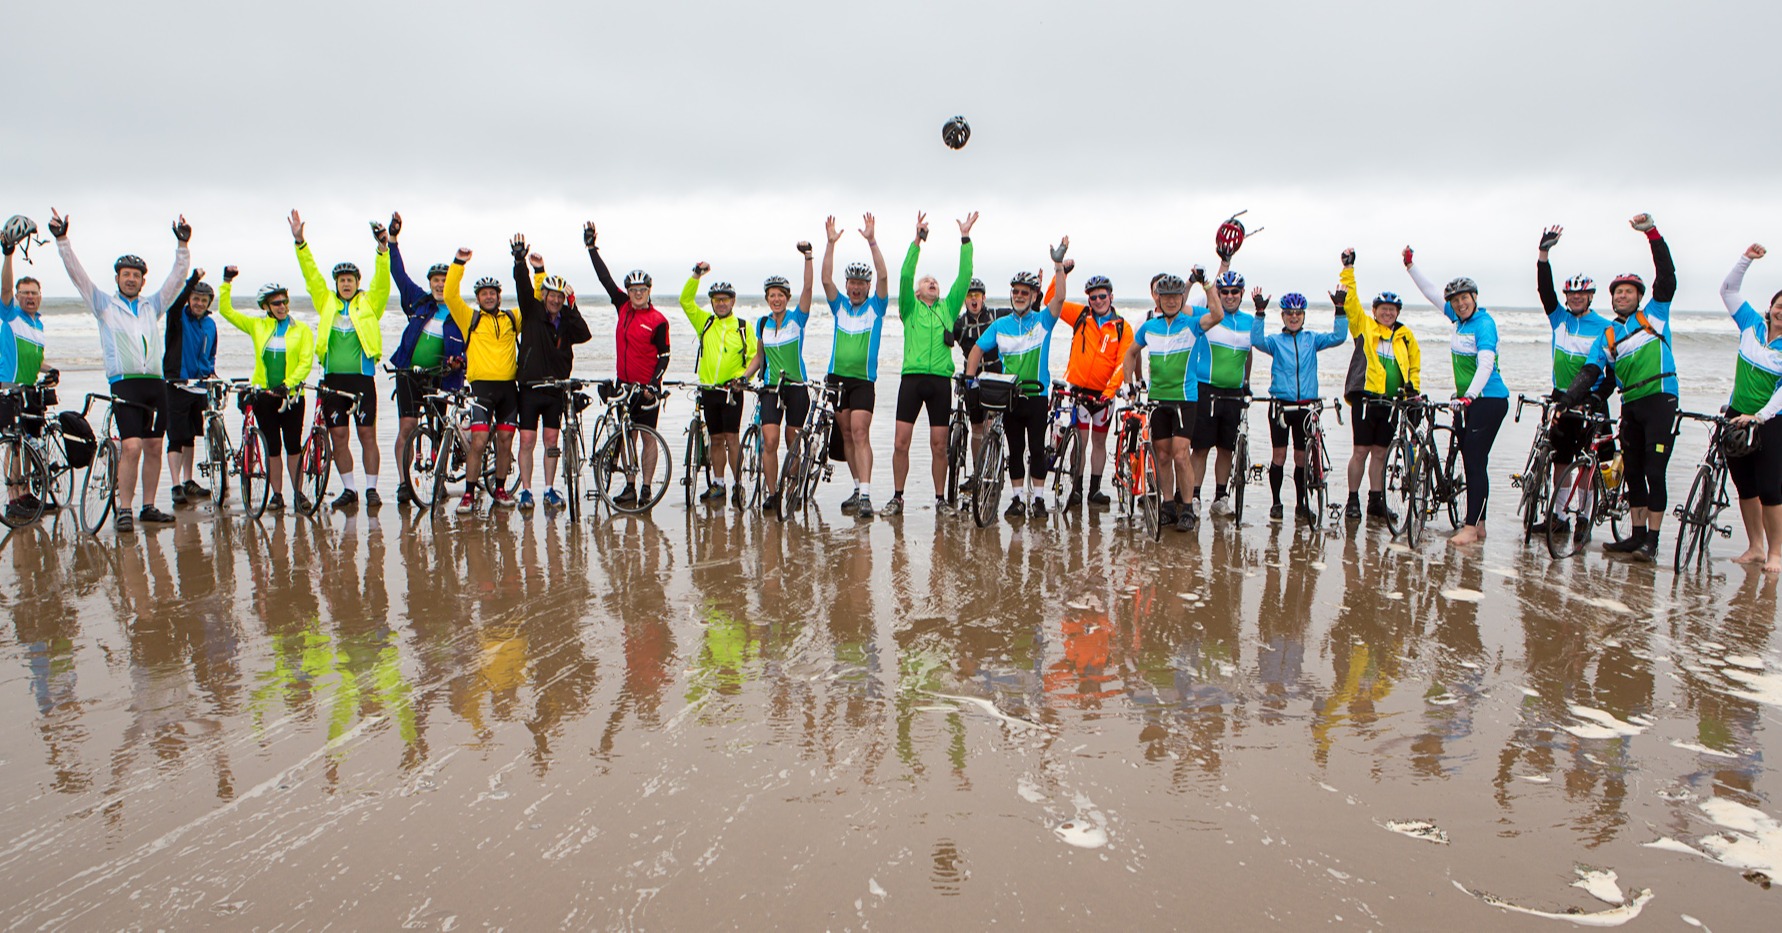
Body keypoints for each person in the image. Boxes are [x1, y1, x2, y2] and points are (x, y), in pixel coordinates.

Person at [50, 208, 192, 532]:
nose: (131, 278)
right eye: (125, 274)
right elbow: (77, 276)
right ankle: (125, 508)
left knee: (155, 446)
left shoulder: (151, 305)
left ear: (143, 280)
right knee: (132, 446)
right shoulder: (103, 305)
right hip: (125, 384)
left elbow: (177, 281)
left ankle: (149, 506)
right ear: (117, 278)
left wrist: (182, 246)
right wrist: (62, 240)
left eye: (136, 274)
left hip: (155, 384)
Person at [1558, 214, 1679, 562]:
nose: (1622, 296)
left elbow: (1667, 276)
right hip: (1632, 405)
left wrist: (1652, 234)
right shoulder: (1608, 334)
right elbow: (1593, 372)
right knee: (1635, 472)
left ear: (1639, 296)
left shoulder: (1654, 315)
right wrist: (1568, 400)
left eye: (1628, 291)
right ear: (1611, 300)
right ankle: (1635, 536)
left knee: (1655, 471)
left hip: (1660, 399)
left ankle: (1652, 542)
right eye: (1618, 293)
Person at [1406, 249, 1511, 547]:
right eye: (1455, 300)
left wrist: (1470, 397)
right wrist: (1411, 266)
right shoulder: (1459, 320)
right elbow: (1430, 293)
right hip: (1472, 401)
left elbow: (1486, 365)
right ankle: (1480, 526)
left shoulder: (1483, 324)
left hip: (1488, 400)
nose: (1459, 303)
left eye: (1465, 298)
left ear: (1475, 297)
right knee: (1473, 461)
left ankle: (1470, 527)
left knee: (1475, 463)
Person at [290, 209, 391, 509]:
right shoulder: (326, 302)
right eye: (341, 280)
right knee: (339, 437)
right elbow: (311, 276)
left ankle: (372, 488)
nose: (345, 284)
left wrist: (382, 250)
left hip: (362, 380)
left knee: (367, 436)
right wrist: (300, 243)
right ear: (336, 284)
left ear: (358, 282)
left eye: (350, 279)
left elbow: (383, 282)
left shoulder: (369, 303)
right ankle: (350, 489)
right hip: (332, 380)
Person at [965, 244, 1070, 519]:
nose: (1020, 296)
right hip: (1010, 395)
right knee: (1015, 448)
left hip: (1037, 395)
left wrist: (1058, 266)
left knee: (1036, 449)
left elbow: (1059, 299)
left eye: (1025, 292)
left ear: (1034, 295)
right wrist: (969, 379)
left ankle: (1038, 500)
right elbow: (976, 349)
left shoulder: (1043, 321)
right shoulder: (1000, 324)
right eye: (1016, 292)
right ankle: (1016, 500)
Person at [1123, 268, 1226, 531]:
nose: (1170, 301)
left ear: (1182, 298)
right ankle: (1168, 505)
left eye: (1175, 296)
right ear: (1157, 299)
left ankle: (1188, 507)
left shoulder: (1192, 324)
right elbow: (1130, 353)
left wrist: (1207, 284)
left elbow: (1217, 315)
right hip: (1158, 400)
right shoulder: (1149, 327)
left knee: (1181, 455)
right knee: (1163, 455)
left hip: (1184, 400)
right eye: (1165, 296)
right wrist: (1129, 386)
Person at [889, 211, 976, 514]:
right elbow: (903, 276)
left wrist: (965, 239)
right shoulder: (909, 308)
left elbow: (964, 277)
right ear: (916, 292)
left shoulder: (948, 308)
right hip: (911, 380)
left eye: (935, 281)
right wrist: (917, 240)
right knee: (901, 442)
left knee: (940, 445)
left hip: (940, 381)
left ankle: (940, 500)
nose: (932, 282)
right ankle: (898, 496)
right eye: (927, 281)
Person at [1533, 225, 1614, 533]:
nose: (1576, 298)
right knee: (1560, 461)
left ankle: (1583, 518)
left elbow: (1613, 374)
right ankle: (1558, 516)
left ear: (1590, 297)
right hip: (1562, 398)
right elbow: (1544, 291)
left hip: (1591, 402)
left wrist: (1599, 396)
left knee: (1589, 464)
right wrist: (1544, 254)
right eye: (1572, 294)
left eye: (1582, 294)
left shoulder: (1606, 326)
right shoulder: (1560, 319)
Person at [385, 212, 468, 506]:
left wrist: (462, 363)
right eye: (435, 280)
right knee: (407, 428)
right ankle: (404, 483)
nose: (439, 284)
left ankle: (439, 481)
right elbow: (398, 274)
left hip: (442, 377)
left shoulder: (461, 313)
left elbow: (473, 347)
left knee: (437, 431)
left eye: (444, 281)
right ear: (430, 283)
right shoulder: (419, 301)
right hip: (409, 373)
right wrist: (393, 241)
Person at [216, 269, 316, 512]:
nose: (282, 306)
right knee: (272, 447)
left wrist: (289, 383)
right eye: (276, 303)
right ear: (266, 306)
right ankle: (277, 495)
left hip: (291, 397)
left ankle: (298, 493)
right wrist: (226, 283)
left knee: (293, 446)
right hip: (265, 396)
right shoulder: (257, 326)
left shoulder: (301, 329)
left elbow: (305, 362)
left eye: (284, 302)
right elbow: (225, 311)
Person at [585, 221, 670, 506]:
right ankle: (630, 486)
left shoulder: (658, 320)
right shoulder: (622, 306)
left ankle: (646, 487)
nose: (636, 293)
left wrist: (653, 384)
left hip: (647, 388)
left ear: (648, 290)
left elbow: (665, 356)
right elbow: (604, 279)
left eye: (641, 289)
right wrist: (591, 248)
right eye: (632, 289)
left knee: (647, 438)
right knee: (627, 436)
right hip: (624, 384)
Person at [1339, 250, 1420, 523]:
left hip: (1391, 402)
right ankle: (1353, 499)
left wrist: (1414, 393)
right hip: (1366, 400)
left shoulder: (1405, 336)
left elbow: (1414, 367)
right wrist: (1348, 269)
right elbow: (1350, 303)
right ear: (1374, 311)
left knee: (1381, 453)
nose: (1388, 313)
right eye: (1383, 309)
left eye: (1392, 310)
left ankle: (1376, 500)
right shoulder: (1364, 327)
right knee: (1360, 451)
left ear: (1397, 313)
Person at [1251, 289, 1346, 523]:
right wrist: (1260, 313)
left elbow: (1338, 337)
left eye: (1298, 314)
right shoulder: (1275, 341)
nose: (1294, 317)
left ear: (1304, 316)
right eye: (1289, 314)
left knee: (1301, 459)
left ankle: (1301, 505)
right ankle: (1276, 502)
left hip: (1305, 407)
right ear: (1282, 316)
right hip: (1281, 407)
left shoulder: (1311, 339)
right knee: (1279, 456)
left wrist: (1340, 310)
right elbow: (1256, 341)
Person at [1044, 264, 1134, 508]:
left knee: (1099, 444)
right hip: (1079, 392)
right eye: (1093, 297)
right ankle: (1076, 488)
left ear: (1111, 296)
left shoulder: (1122, 327)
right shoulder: (1081, 315)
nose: (1097, 300)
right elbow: (1050, 300)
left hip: (1103, 397)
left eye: (1102, 296)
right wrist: (1061, 274)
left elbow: (1122, 363)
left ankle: (1094, 490)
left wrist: (1108, 392)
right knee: (1080, 443)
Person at [442, 242, 524, 514]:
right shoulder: (470, 318)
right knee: (477, 443)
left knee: (504, 442)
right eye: (484, 294)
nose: (488, 297)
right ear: (478, 298)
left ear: (499, 296)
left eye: (493, 293)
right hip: (481, 389)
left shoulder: (513, 318)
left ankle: (499, 489)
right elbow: (450, 295)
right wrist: (458, 263)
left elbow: (534, 302)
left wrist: (535, 270)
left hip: (509, 390)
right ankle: (468, 493)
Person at [1716, 243, 1782, 573]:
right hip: (1736, 416)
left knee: (1770, 488)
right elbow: (1728, 289)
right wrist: (1746, 260)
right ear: (1770, 307)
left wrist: (1760, 416)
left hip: (1771, 422)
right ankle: (1755, 547)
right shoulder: (1751, 325)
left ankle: (1776, 553)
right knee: (1745, 486)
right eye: (1779, 305)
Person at [820, 213, 890, 518]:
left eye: (862, 283)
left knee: (860, 432)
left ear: (867, 286)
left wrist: (872, 241)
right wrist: (830, 243)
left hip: (863, 381)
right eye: (852, 283)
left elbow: (885, 277)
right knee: (846, 434)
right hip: (837, 380)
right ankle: (856, 488)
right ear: (847, 285)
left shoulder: (877, 306)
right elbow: (824, 279)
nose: (856, 288)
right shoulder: (839, 306)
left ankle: (866, 494)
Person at [741, 242, 815, 514]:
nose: (776, 299)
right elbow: (759, 358)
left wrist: (808, 257)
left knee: (791, 441)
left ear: (787, 297)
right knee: (769, 440)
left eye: (781, 295)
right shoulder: (763, 324)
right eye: (772, 295)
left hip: (796, 387)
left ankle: (793, 486)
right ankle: (773, 493)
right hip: (771, 387)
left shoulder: (798, 319)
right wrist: (744, 376)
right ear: (767, 298)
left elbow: (808, 289)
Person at [516, 250, 590, 511]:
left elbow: (584, 334)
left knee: (551, 441)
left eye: (560, 297)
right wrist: (520, 262)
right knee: (526, 441)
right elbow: (523, 288)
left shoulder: (566, 320)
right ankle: (526, 491)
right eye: (552, 296)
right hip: (529, 388)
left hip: (555, 391)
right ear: (544, 296)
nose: (556, 300)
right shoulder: (532, 313)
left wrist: (573, 306)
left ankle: (548, 489)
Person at [680, 262, 758, 508]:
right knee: (715, 440)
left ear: (733, 301)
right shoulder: (705, 322)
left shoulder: (744, 327)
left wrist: (742, 379)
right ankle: (719, 484)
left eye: (725, 299)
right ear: (712, 302)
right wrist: (696, 275)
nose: (721, 303)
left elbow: (754, 357)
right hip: (709, 391)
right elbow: (685, 301)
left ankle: (737, 484)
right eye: (716, 300)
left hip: (731, 393)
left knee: (732, 439)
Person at [1189, 266, 1258, 518]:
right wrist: (1194, 281)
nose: (1229, 296)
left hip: (1234, 393)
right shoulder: (1207, 314)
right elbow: (1179, 306)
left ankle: (1220, 498)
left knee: (1226, 449)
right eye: (1224, 292)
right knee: (1201, 448)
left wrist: (1246, 382)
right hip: (1206, 390)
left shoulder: (1250, 322)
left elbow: (1249, 353)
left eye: (1234, 292)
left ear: (1242, 293)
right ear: (1217, 293)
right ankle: (1194, 496)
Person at [2, 237, 51, 520]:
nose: (29, 297)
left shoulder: (38, 323)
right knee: (13, 443)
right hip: (9, 388)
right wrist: (8, 255)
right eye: (25, 293)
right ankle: (12, 498)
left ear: (40, 296)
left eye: (34, 293)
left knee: (31, 441)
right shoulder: (11, 315)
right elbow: (5, 287)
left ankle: (27, 493)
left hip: (31, 390)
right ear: (18, 296)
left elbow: (36, 359)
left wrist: (50, 370)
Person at [161, 269, 217, 506]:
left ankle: (188, 481)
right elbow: (175, 302)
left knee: (191, 435)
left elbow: (211, 354)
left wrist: (211, 373)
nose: (199, 303)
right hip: (177, 384)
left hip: (199, 387)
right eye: (195, 299)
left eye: (203, 300)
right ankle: (175, 485)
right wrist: (191, 281)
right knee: (176, 436)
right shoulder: (177, 317)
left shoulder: (210, 324)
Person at [950, 276, 1005, 482]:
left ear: (984, 297)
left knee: (991, 423)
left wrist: (1036, 299)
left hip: (995, 377)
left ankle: (991, 467)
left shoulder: (996, 316)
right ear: (964, 299)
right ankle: (977, 471)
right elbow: (936, 332)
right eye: (969, 296)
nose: (974, 300)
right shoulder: (959, 324)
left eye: (977, 296)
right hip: (971, 378)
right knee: (976, 428)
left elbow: (1023, 314)